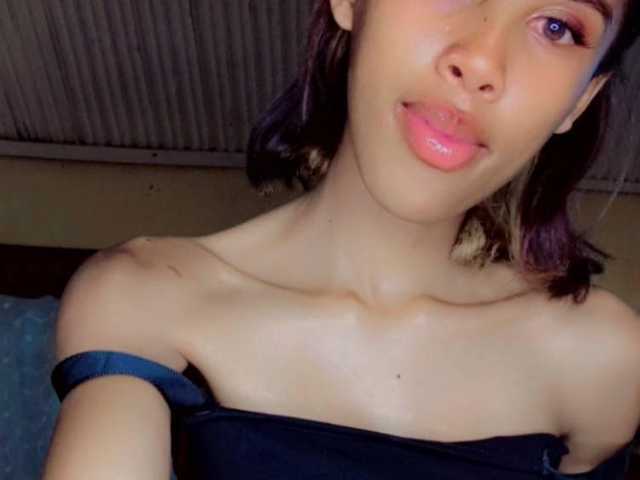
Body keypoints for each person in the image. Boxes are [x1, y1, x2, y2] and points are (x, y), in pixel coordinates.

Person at [42, 0, 640, 478]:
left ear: (581, 98)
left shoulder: (602, 357)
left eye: (557, 26)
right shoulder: (146, 299)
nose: (481, 62)